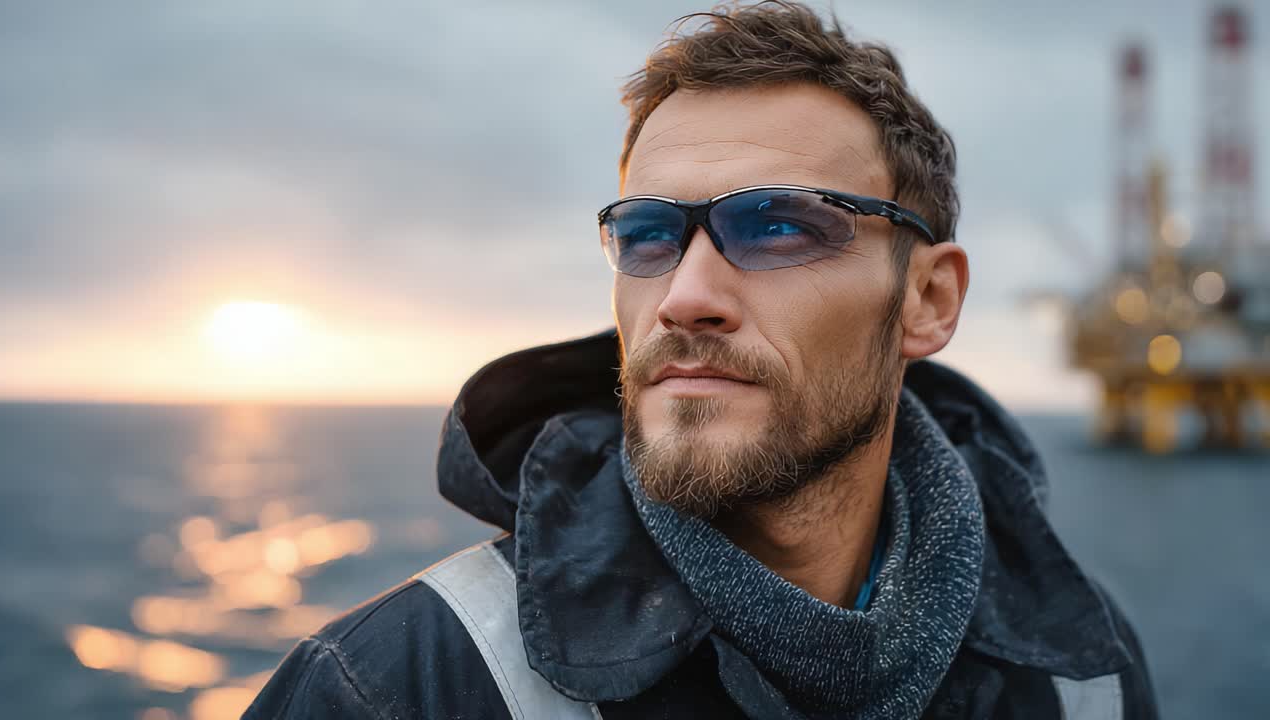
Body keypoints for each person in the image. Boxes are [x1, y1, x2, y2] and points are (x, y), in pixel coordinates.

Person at [244, 2, 1158, 718]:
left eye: (781, 226)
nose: (684, 296)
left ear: (928, 300)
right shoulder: (400, 688)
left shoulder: (1084, 675)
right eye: (647, 236)